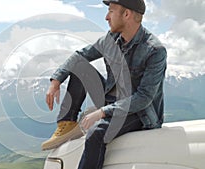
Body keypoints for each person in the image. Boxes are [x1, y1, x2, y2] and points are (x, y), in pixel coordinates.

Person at [42, 0, 167, 168]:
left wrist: (102, 112)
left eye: (111, 11)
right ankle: (68, 122)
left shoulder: (154, 50)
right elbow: (80, 55)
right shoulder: (111, 39)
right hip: (113, 100)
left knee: (96, 133)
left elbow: (143, 98)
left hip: (141, 113)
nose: (106, 17)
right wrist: (56, 80)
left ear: (127, 14)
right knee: (80, 66)